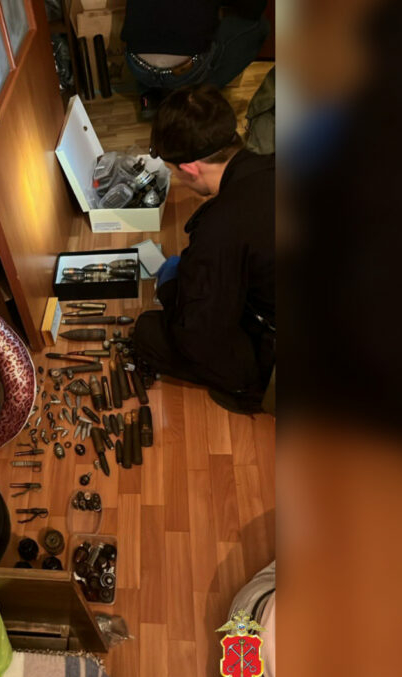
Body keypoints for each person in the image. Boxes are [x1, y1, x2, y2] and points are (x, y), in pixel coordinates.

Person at [133, 85, 274, 413]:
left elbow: (199, 333)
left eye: (174, 172)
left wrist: (172, 289)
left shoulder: (221, 226)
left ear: (190, 168)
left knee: (148, 333)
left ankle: (250, 390)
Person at [121, 0, 270, 119]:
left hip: (137, 65)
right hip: (185, 71)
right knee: (259, 25)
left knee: (153, 17)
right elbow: (254, 8)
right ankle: (197, 96)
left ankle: (149, 95)